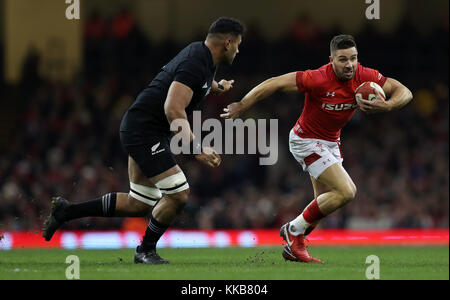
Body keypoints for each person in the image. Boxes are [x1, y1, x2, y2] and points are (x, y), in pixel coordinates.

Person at [43, 17, 245, 264]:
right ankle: (145, 250)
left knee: (138, 203)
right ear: (227, 42)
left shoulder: (202, 57)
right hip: (144, 131)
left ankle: (66, 211)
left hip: (144, 128)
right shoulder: (196, 62)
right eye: (237, 44)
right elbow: (173, 108)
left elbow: (196, 81)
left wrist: (217, 87)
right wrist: (195, 148)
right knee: (179, 194)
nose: (238, 49)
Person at [220, 34, 413, 263]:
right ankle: (292, 229)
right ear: (331, 59)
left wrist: (388, 105)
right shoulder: (318, 78)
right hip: (306, 140)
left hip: (331, 142)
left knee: (322, 204)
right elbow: (275, 83)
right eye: (343, 59)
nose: (349, 64)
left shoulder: (364, 76)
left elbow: (404, 91)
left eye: (353, 58)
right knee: (346, 191)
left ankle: (295, 246)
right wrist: (242, 105)